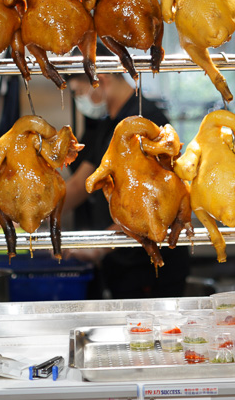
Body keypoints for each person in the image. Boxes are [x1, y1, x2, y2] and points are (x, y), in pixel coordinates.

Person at [63, 67, 191, 299]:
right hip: (121, 263)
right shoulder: (108, 125)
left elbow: (157, 204)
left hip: (150, 269)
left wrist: (102, 245)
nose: (78, 100)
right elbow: (79, 185)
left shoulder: (146, 123)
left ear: (100, 79)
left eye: (77, 91)